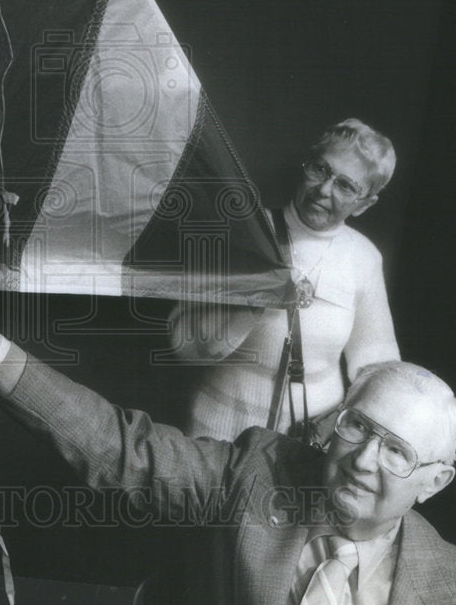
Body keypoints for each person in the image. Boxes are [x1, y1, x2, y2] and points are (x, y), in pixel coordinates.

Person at [0, 265, 456, 605]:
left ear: (435, 481)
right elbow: (120, 448)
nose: (362, 459)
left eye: (397, 451)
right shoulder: (259, 475)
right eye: (358, 427)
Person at [171, 118, 400, 440]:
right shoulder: (244, 232)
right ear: (305, 166)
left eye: (345, 185)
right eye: (320, 169)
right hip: (217, 430)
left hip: (306, 442)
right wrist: (251, 302)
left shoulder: (364, 258)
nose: (323, 189)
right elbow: (183, 343)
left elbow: (375, 361)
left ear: (364, 204)